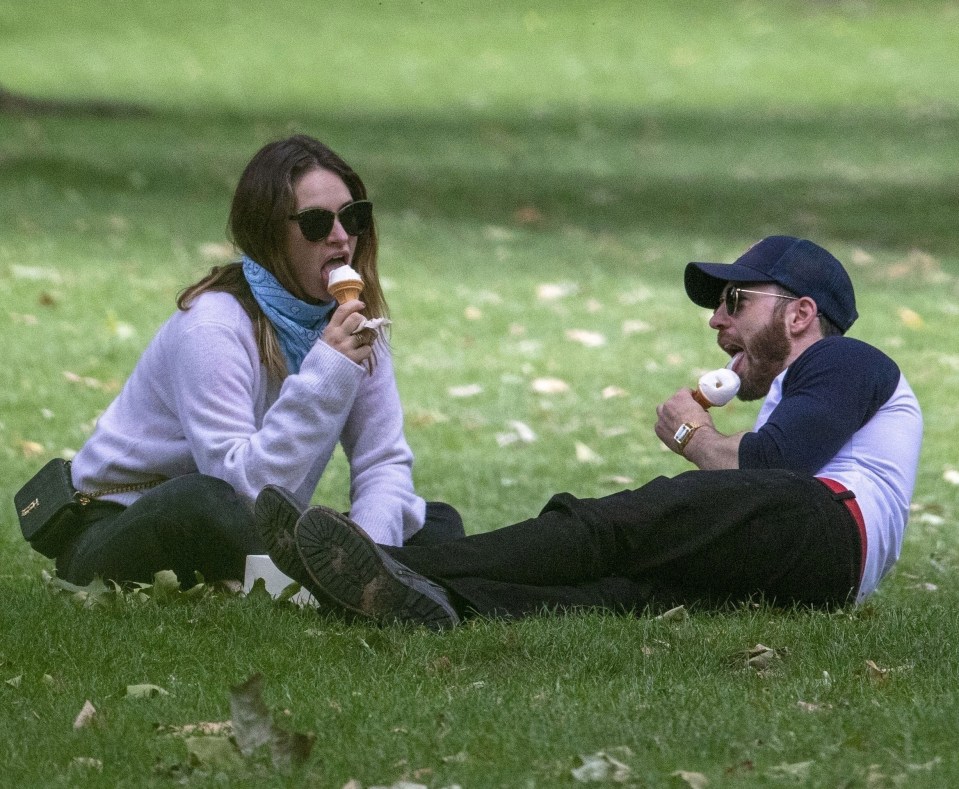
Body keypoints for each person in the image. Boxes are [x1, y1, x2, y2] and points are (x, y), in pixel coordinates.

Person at [254, 235, 923, 629]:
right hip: (823, 569)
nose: (717, 321)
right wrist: (705, 442)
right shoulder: (804, 389)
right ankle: (422, 601)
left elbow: (772, 466)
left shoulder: (845, 360)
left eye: (735, 301)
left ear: (802, 313)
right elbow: (766, 470)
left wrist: (691, 436)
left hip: (828, 529)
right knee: (622, 592)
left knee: (608, 526)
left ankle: (389, 565)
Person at [50, 134, 462, 588]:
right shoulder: (213, 326)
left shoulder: (354, 323)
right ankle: (307, 584)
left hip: (249, 531)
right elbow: (242, 492)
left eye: (353, 216)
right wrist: (326, 372)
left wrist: (368, 558)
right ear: (268, 234)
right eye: (315, 223)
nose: (342, 237)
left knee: (431, 521)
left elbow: (382, 463)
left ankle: (334, 585)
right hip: (123, 526)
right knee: (203, 500)